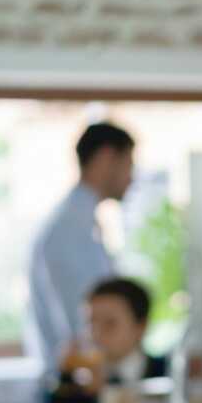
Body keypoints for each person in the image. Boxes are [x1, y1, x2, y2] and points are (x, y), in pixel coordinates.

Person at [28, 122, 135, 378]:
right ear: (107, 158)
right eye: (129, 163)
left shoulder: (80, 222)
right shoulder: (70, 229)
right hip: (75, 383)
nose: (132, 177)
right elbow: (84, 325)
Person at [50, 277, 166, 403]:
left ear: (141, 327)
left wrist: (108, 392)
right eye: (90, 322)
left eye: (110, 323)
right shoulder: (77, 382)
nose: (96, 333)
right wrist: (65, 377)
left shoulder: (166, 373)